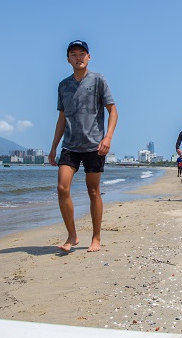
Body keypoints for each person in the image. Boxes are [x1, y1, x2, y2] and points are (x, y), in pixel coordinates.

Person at [48, 40, 118, 253]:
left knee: (93, 191)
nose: (78, 57)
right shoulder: (63, 85)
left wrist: (107, 138)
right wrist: (53, 148)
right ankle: (72, 235)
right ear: (68, 59)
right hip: (70, 146)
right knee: (62, 188)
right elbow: (62, 118)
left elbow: (113, 111)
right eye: (73, 54)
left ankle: (96, 238)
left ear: (89, 57)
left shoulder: (98, 80)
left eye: (82, 53)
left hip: (94, 146)